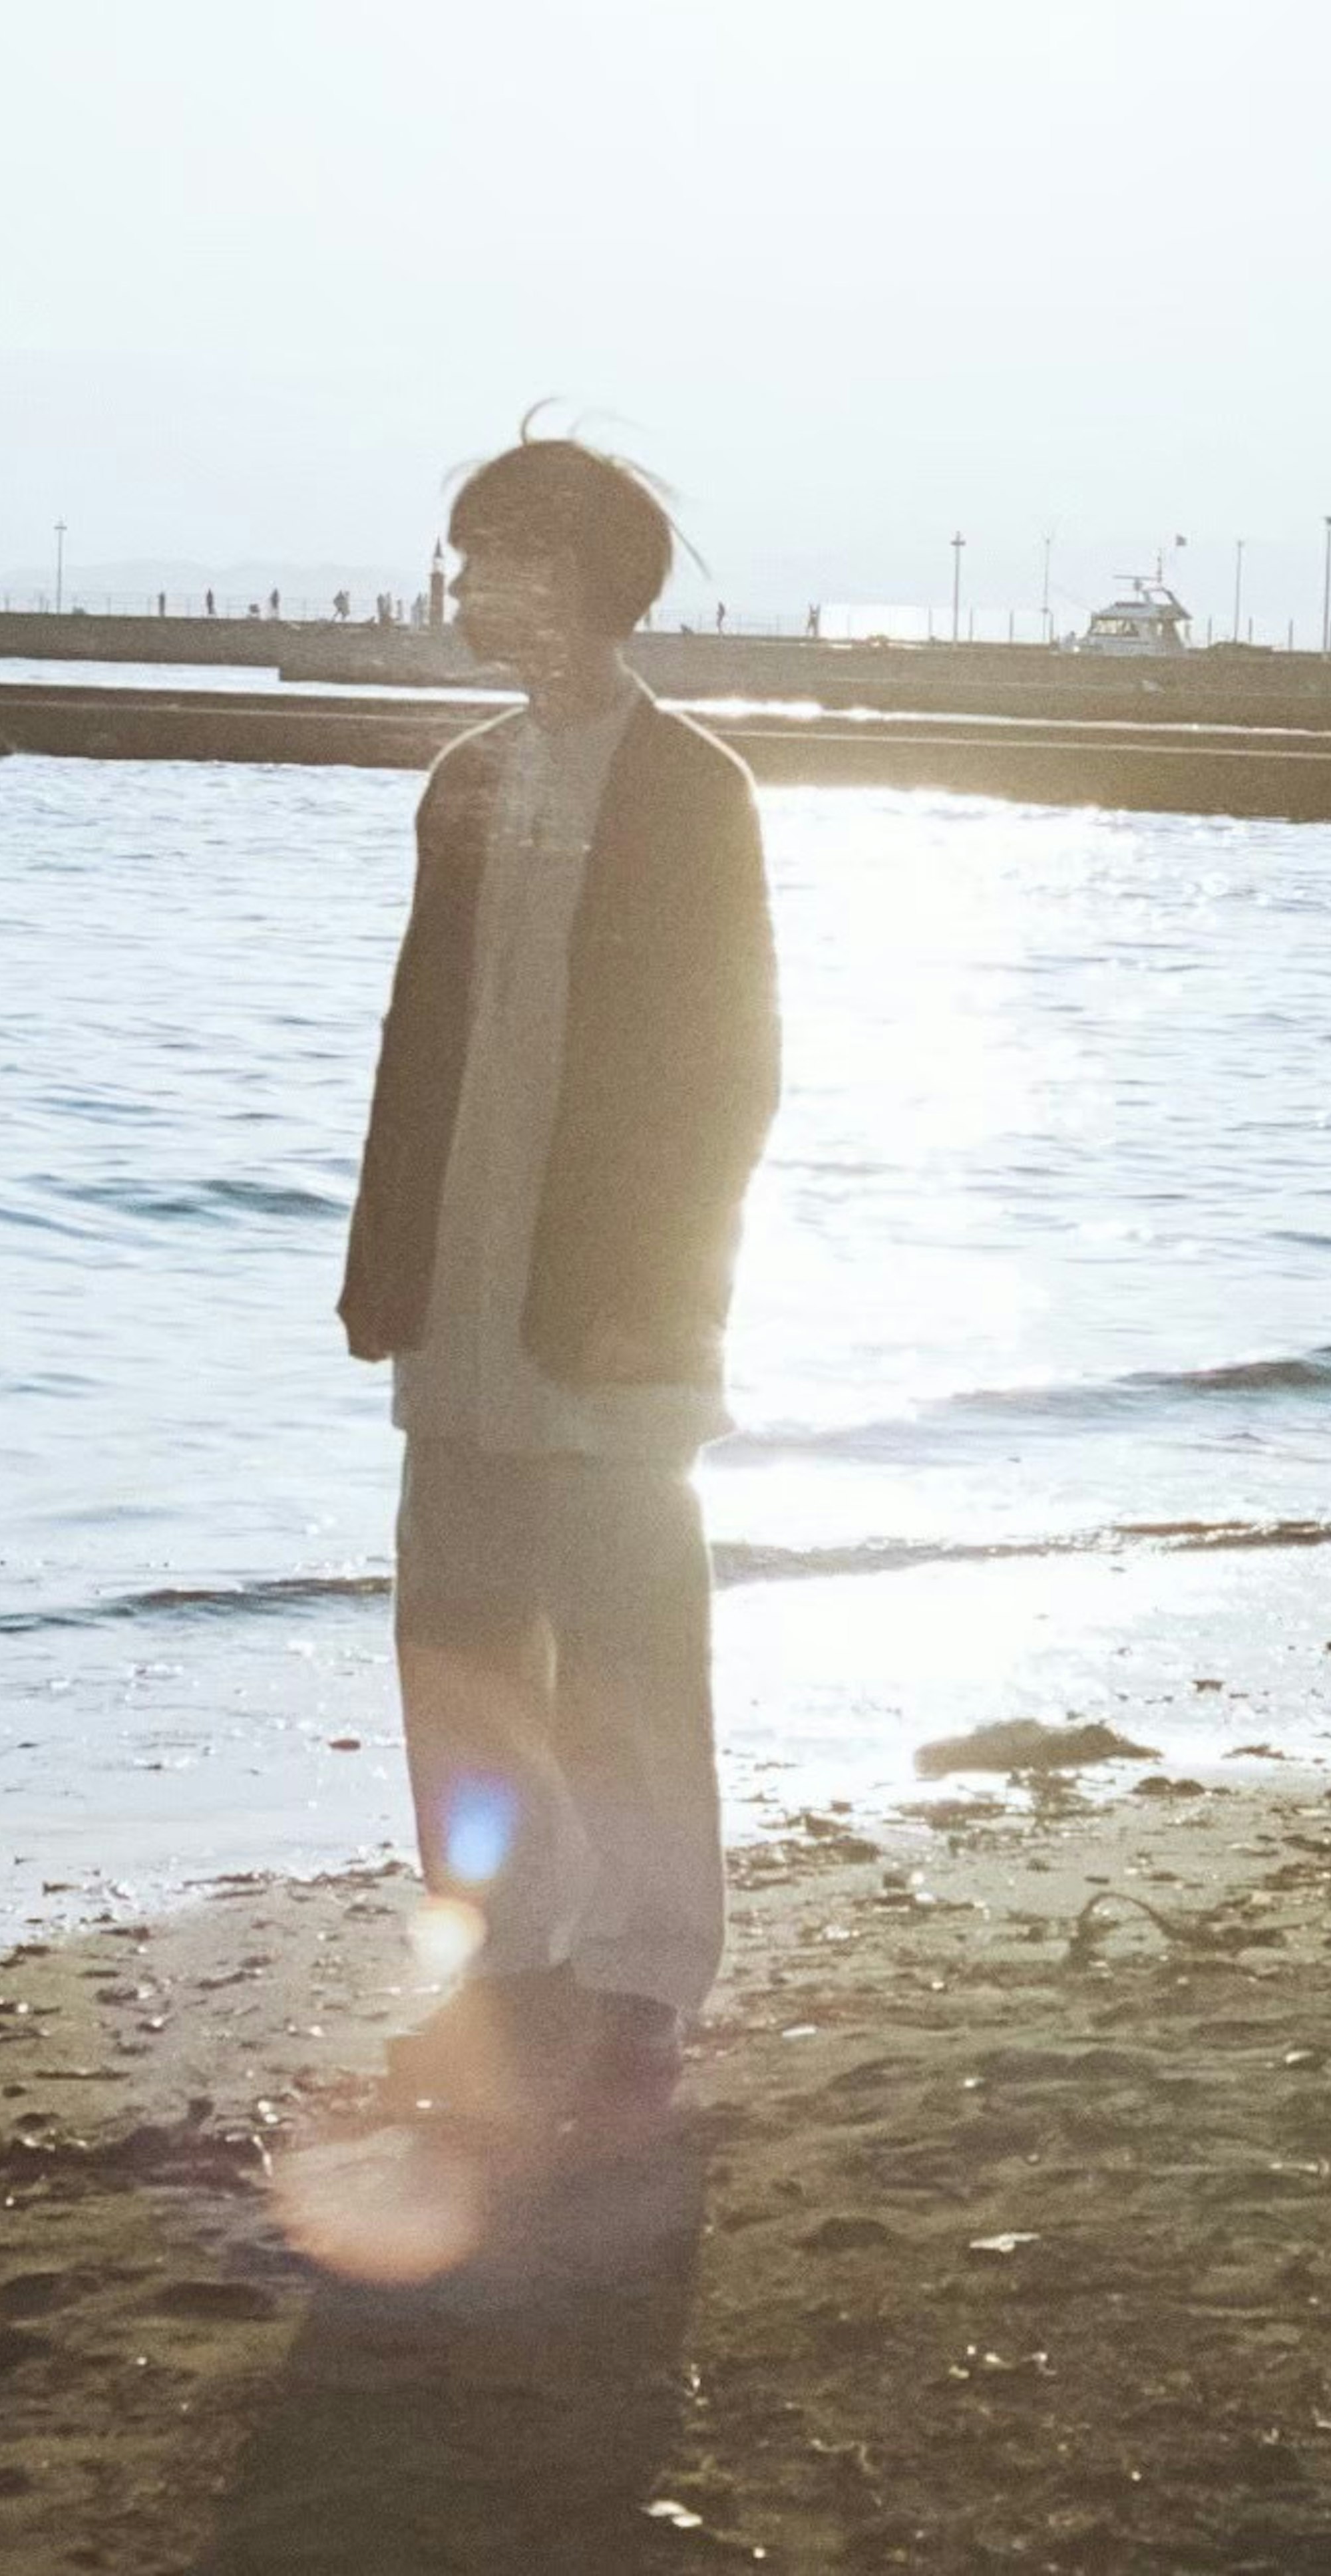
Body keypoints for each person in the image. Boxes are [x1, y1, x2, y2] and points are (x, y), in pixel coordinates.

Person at [340, 433, 781, 2138]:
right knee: (455, 1637)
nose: (462, 591)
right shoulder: (461, 780)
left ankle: (645, 1976)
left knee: (626, 1657)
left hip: (615, 1309)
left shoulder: (691, 786)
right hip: (457, 1288)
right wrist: (384, 1265)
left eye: (492, 558)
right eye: (460, 561)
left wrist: (654, 1287)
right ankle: (507, 1955)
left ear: (585, 574)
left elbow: (730, 1065)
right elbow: (411, 1045)